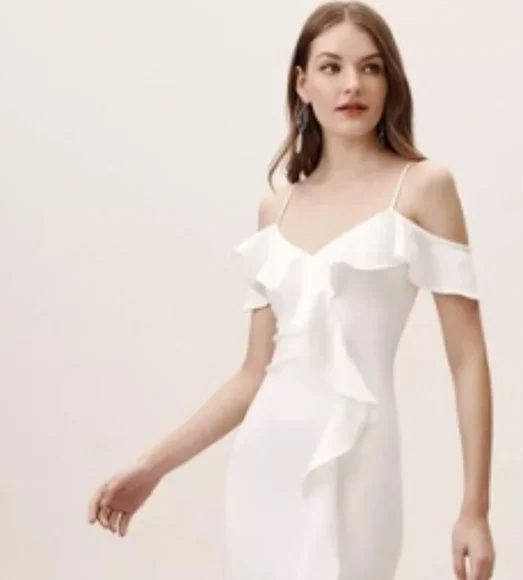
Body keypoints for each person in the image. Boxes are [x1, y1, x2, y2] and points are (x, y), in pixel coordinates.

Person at [88, 2, 495, 579]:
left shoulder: (423, 186)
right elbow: (254, 374)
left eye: (371, 68)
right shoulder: (276, 208)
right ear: (302, 84)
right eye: (331, 67)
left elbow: (468, 357)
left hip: (360, 466)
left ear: (390, 82)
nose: (352, 84)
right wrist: (151, 467)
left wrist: (474, 510)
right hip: (266, 466)